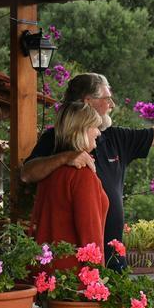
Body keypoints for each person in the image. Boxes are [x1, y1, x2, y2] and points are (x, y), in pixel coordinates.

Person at [21, 73, 154, 268]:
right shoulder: (56, 139)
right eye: (107, 98)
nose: (112, 104)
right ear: (88, 102)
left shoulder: (115, 138)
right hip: (76, 262)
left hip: (112, 256)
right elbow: (27, 173)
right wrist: (65, 157)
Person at [30, 101, 109, 271]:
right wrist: (98, 278)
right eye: (94, 127)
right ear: (81, 130)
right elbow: (90, 235)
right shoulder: (83, 175)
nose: (98, 132)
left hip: (46, 272)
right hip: (74, 279)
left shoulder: (50, 171)